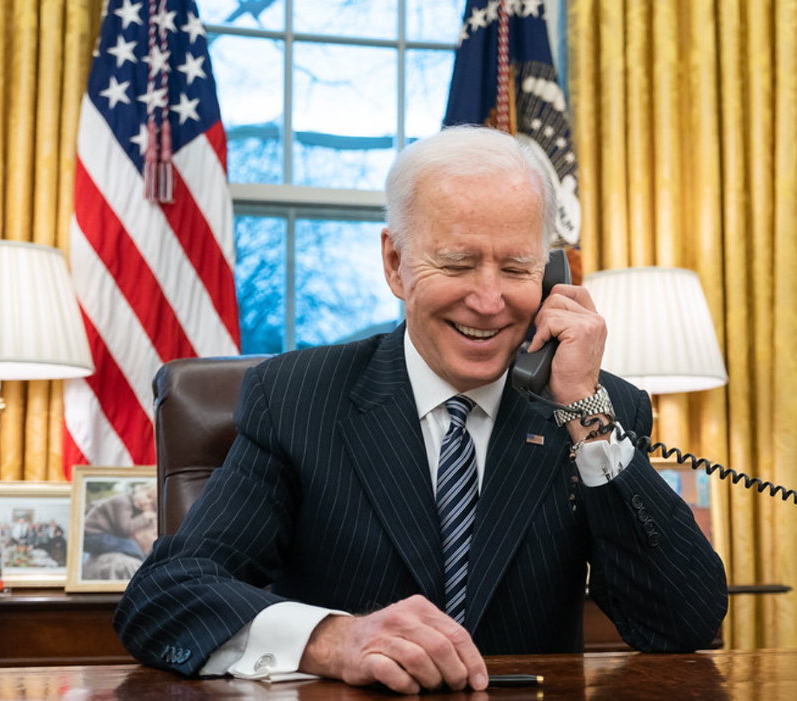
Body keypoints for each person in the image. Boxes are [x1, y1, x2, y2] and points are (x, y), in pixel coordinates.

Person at [114, 126, 728, 693]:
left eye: (516, 268)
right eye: (457, 263)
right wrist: (334, 640)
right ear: (395, 264)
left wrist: (587, 419)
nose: (488, 300)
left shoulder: (595, 408)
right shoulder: (296, 397)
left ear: (550, 276)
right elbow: (165, 596)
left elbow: (683, 623)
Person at [81, 483, 159, 580]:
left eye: (151, 505)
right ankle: (145, 569)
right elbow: (124, 529)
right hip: (91, 535)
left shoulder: (130, 505)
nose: (146, 502)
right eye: (148, 496)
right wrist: (144, 517)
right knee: (130, 545)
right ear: (140, 489)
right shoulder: (122, 502)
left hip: (96, 536)